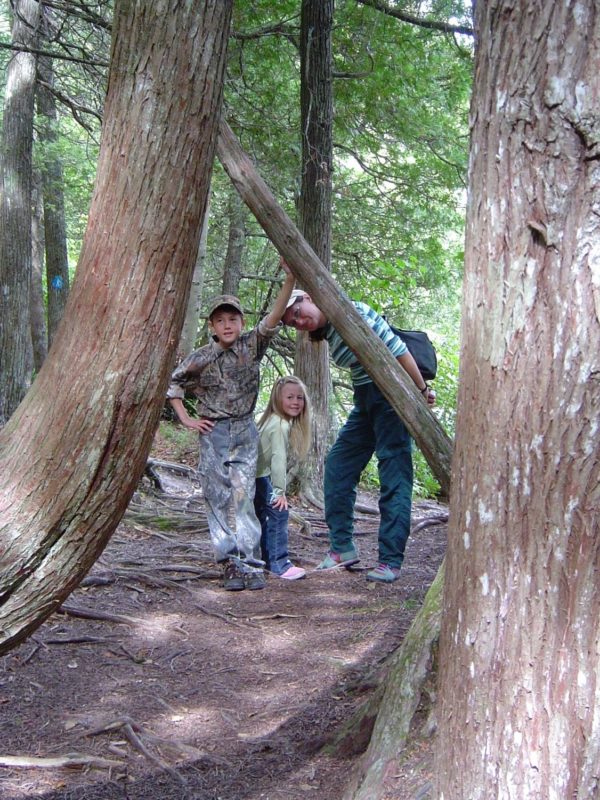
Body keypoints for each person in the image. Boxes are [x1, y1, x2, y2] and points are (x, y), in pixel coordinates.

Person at [281, 282, 436, 583]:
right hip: (365, 399)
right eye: (293, 322)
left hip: (392, 396)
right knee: (338, 466)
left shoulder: (352, 310)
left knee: (393, 473)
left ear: (311, 297)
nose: (299, 322)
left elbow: (399, 350)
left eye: (298, 312)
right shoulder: (327, 331)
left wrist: (421, 390)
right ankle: (342, 548)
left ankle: (390, 560)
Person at [167, 267, 296, 591]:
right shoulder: (201, 357)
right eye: (221, 320)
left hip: (244, 432)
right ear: (212, 326)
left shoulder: (252, 345)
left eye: (233, 319)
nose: (228, 325)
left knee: (243, 496)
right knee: (217, 496)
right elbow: (173, 383)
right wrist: (185, 418)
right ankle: (230, 564)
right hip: (213, 434)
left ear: (241, 323)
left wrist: (290, 279)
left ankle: (252, 563)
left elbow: (274, 315)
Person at [254, 376, 312, 581]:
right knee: (279, 513)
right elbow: (278, 459)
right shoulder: (280, 424)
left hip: (254, 477)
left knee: (262, 516)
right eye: (289, 397)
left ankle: (264, 560)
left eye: (300, 397)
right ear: (277, 399)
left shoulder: (272, 420)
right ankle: (279, 564)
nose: (295, 402)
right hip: (261, 477)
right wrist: (279, 491)